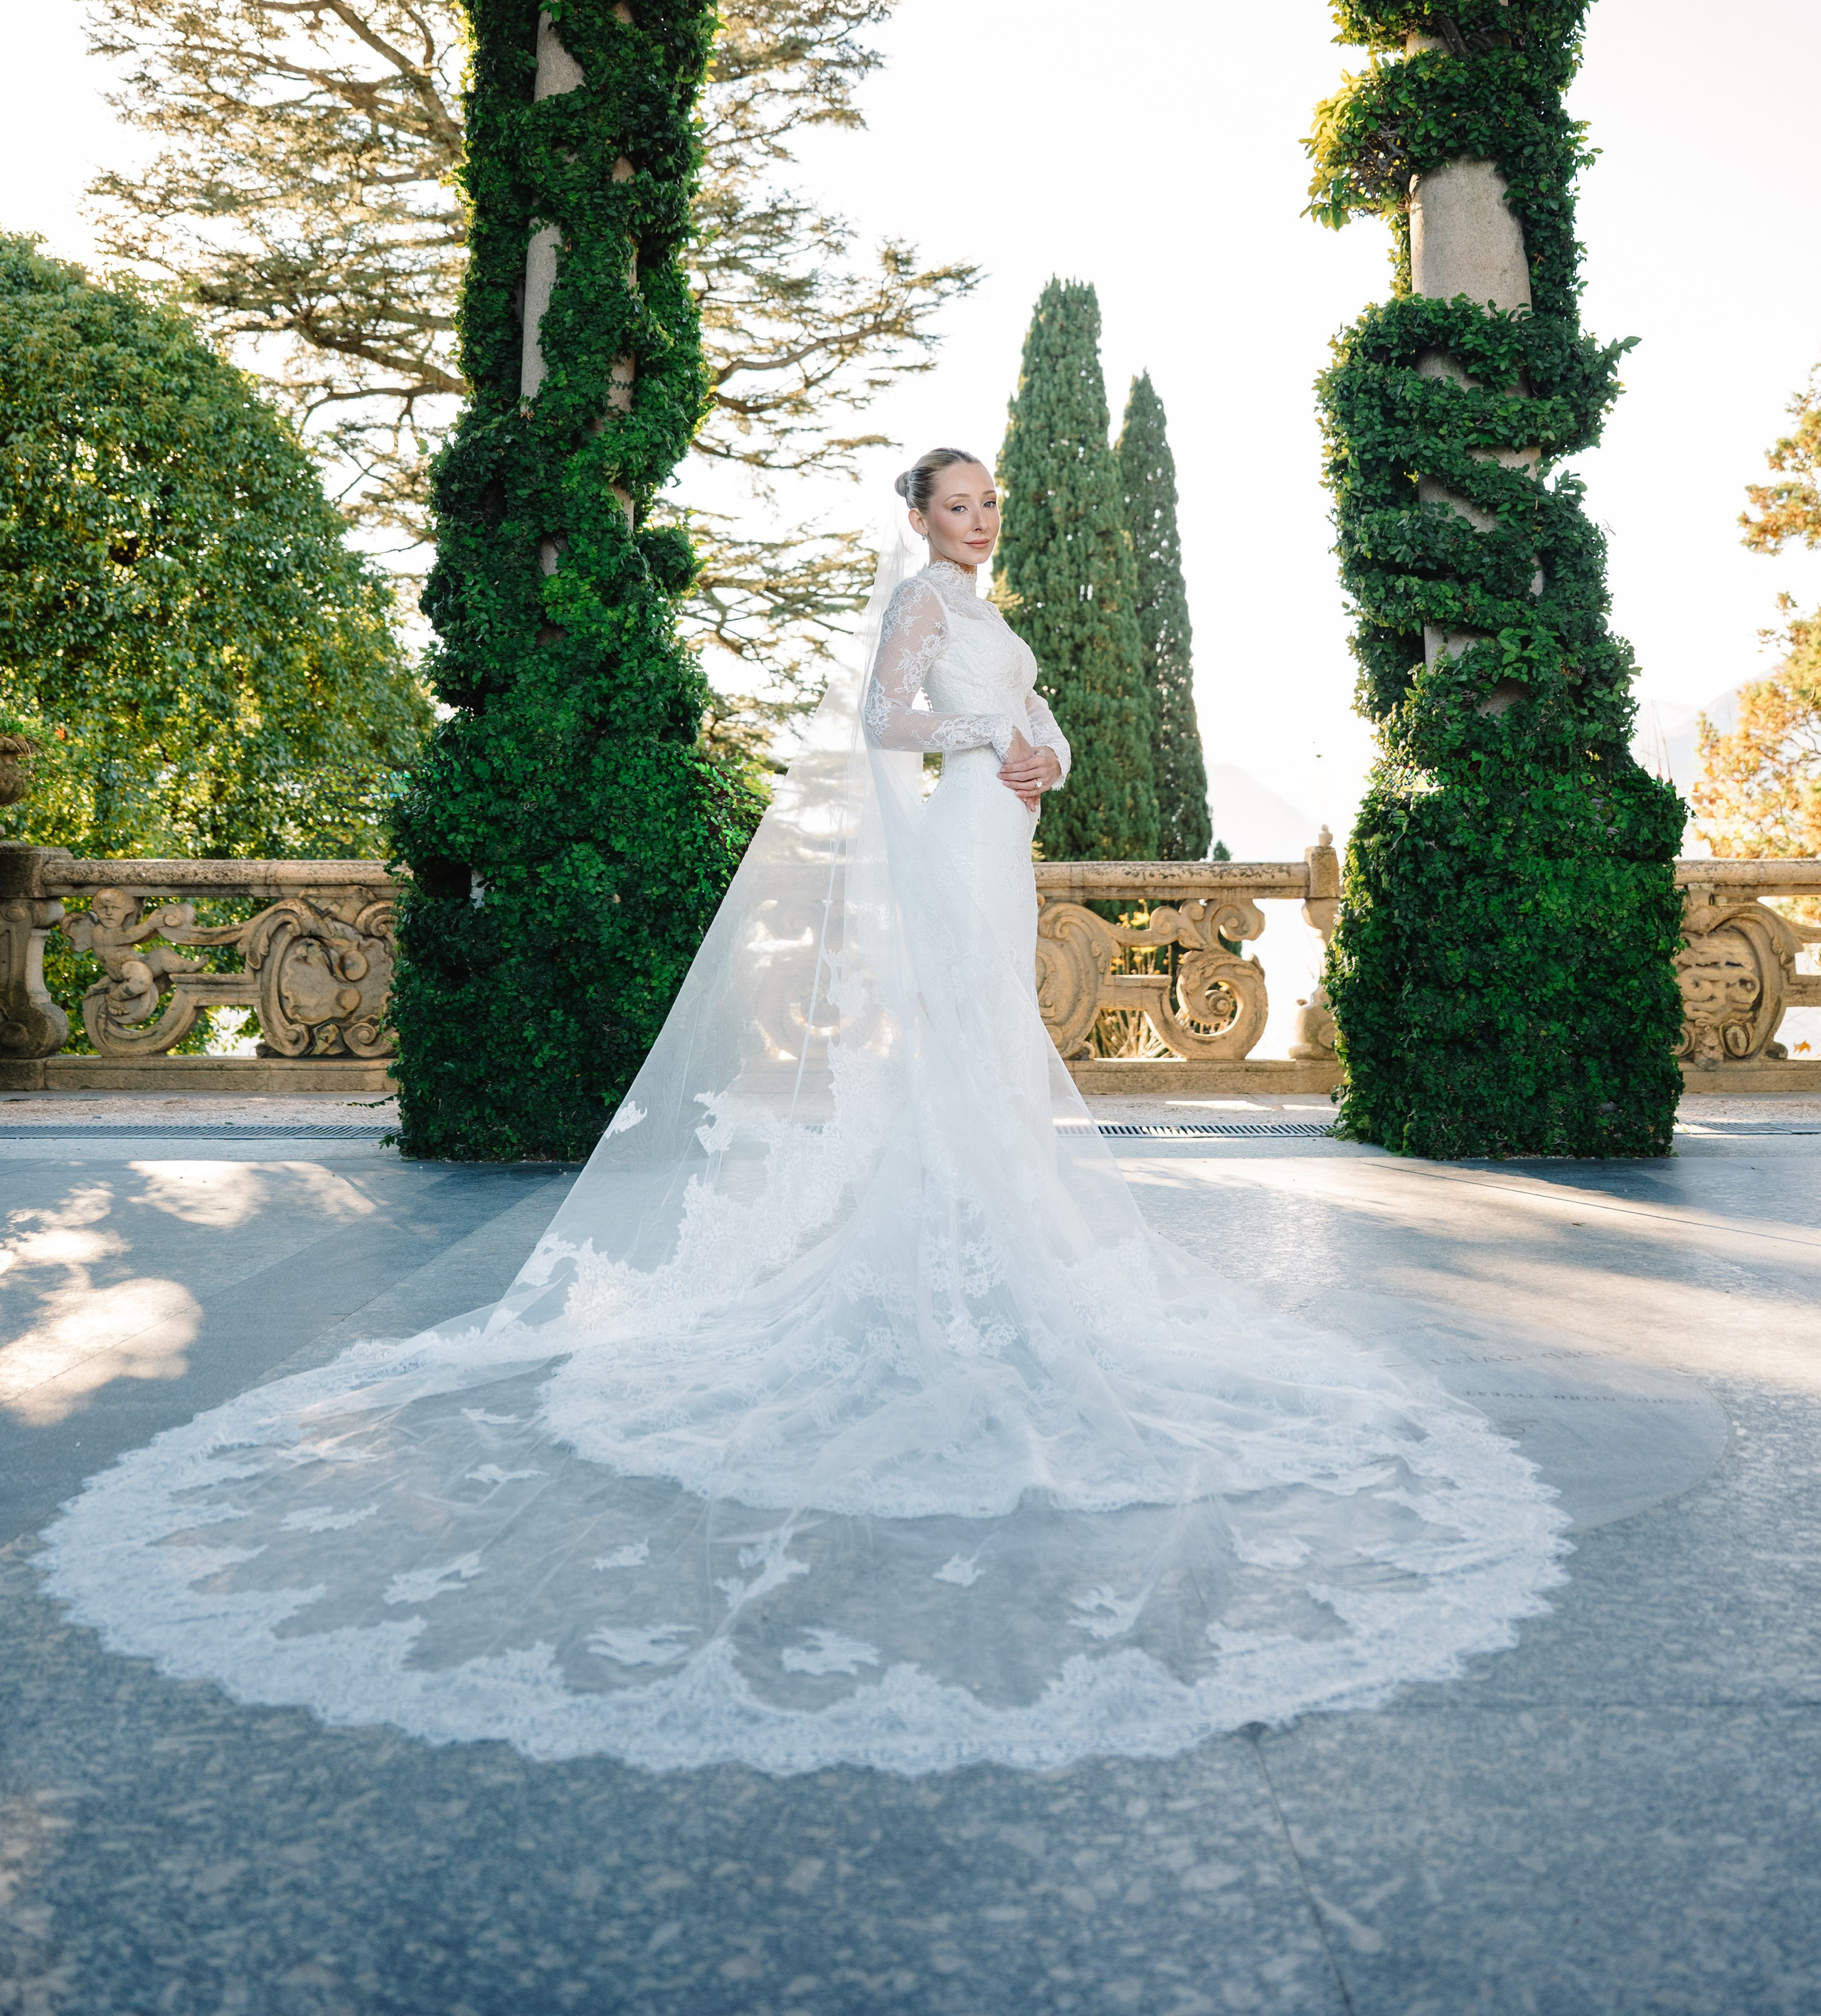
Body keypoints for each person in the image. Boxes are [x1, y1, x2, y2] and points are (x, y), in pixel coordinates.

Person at [39, 448, 1565, 1778]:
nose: (976, 523)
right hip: (950, 835)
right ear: (917, 518)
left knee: (993, 1050)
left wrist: (1042, 753)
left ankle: (986, 1246)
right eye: (954, 506)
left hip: (998, 841)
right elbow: (884, 727)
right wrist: (985, 749)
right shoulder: (914, 609)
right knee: (958, 1043)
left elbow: (1037, 727)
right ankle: (931, 1257)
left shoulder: (990, 616)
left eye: (985, 507)